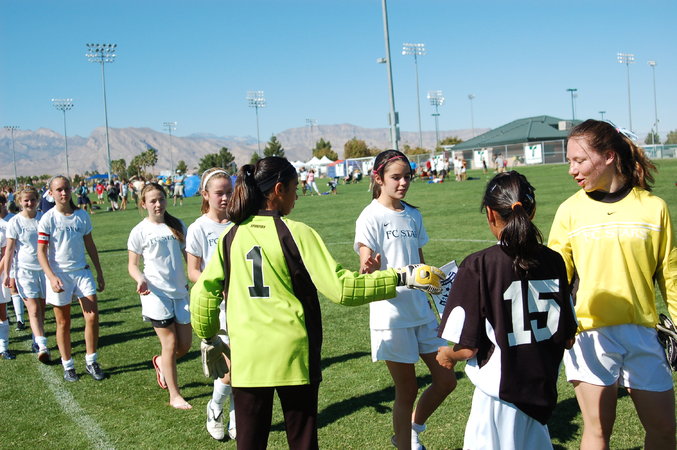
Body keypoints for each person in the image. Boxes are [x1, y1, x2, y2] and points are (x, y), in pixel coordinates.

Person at [190, 156, 444, 450]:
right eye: (295, 188)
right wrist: (402, 276)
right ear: (279, 190)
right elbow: (343, 289)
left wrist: (209, 336)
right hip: (294, 357)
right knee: (303, 443)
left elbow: (203, 293)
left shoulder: (230, 236)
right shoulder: (296, 232)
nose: (297, 196)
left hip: (248, 359)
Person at [548, 119, 676, 449]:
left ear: (608, 156)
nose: (572, 170)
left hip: (643, 333)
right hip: (589, 336)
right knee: (597, 432)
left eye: (579, 160)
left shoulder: (653, 208)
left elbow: (670, 274)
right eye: (569, 161)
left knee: (664, 430)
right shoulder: (569, 211)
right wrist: (555, 328)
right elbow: (554, 278)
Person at [436, 171, 577, 449]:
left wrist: (448, 355)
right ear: (531, 210)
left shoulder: (479, 264)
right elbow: (568, 337)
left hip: (498, 398)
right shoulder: (554, 260)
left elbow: (467, 348)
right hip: (541, 393)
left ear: (490, 214)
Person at [354, 149, 456, 450]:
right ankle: (404, 443)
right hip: (392, 317)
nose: (403, 183)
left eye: (407, 177)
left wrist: (438, 285)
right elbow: (365, 264)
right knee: (407, 389)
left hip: (421, 312)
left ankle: (411, 429)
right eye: (395, 177)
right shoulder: (370, 216)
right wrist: (368, 265)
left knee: (447, 379)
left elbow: (421, 264)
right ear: (378, 178)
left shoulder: (413, 214)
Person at [128, 183, 192, 410]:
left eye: (161, 199)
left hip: (180, 292)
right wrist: (140, 278)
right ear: (143, 204)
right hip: (155, 293)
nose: (158, 204)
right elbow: (132, 265)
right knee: (170, 343)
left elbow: (189, 257)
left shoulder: (177, 225)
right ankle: (175, 395)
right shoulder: (139, 231)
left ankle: (160, 362)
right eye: (152, 201)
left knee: (185, 346)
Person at [37, 175, 106, 382]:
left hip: (82, 272)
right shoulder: (47, 218)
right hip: (60, 276)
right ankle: (68, 365)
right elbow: (41, 252)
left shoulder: (81, 216)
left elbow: (90, 245)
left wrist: (99, 272)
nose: (63, 193)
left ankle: (91, 361)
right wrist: (51, 277)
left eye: (66, 188)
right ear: (51, 193)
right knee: (63, 322)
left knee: (92, 317)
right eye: (59, 189)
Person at [185, 168, 236, 438]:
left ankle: (236, 415)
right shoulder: (198, 228)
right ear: (205, 195)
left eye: (229, 192)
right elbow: (193, 271)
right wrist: (219, 286)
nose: (225, 197)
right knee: (228, 367)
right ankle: (215, 408)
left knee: (243, 364)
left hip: (244, 305)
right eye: (219, 193)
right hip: (217, 309)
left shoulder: (239, 223)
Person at [3, 186, 50, 362]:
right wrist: (8, 274)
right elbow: (9, 250)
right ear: (19, 202)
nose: (29, 203)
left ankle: (36, 338)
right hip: (24, 271)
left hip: (44, 271)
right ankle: (42, 345)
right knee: (34, 308)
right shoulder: (15, 222)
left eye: (32, 200)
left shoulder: (43, 218)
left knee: (42, 309)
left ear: (37, 200)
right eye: (26, 200)